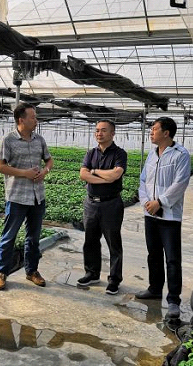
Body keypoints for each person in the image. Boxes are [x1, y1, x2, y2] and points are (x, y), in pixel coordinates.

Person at [0, 103, 54, 290]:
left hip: (37, 197)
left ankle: (32, 271)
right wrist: (24, 173)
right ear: (21, 120)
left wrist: (45, 171)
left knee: (33, 238)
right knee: (9, 236)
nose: (36, 120)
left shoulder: (39, 139)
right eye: (33, 117)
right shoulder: (8, 140)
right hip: (17, 197)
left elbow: (49, 160)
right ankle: (2, 273)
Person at [136, 117, 191, 319]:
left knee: (172, 259)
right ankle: (154, 289)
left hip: (169, 216)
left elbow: (180, 183)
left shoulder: (180, 154)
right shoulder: (152, 154)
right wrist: (146, 202)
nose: (151, 132)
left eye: (154, 129)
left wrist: (160, 202)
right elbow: (143, 180)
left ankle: (173, 300)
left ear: (166, 133)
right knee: (154, 254)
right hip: (150, 213)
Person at [78, 120, 127, 295]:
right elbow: (83, 174)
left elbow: (116, 175)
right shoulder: (91, 153)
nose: (99, 133)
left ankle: (114, 279)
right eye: (97, 130)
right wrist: (105, 178)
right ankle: (92, 273)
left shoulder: (119, 153)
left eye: (103, 130)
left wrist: (94, 171)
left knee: (113, 242)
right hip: (91, 203)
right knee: (90, 240)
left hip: (111, 204)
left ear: (112, 133)